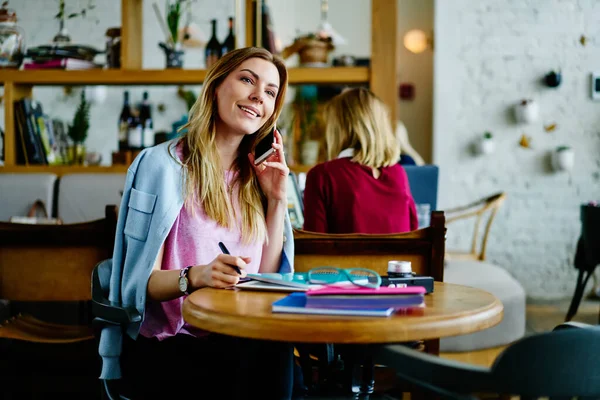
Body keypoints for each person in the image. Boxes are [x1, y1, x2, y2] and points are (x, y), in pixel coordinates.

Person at [97, 47, 295, 399]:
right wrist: (197, 276)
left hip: (243, 335)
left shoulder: (260, 177)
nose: (257, 96)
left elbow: (268, 278)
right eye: (247, 80)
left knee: (274, 349)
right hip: (176, 342)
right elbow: (138, 285)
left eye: (269, 91)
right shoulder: (161, 165)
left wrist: (277, 199)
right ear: (216, 87)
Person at [303, 87, 419, 234]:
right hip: (395, 258)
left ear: (337, 129)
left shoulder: (322, 176)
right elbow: (413, 236)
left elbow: (313, 248)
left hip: (344, 258)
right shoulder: (398, 173)